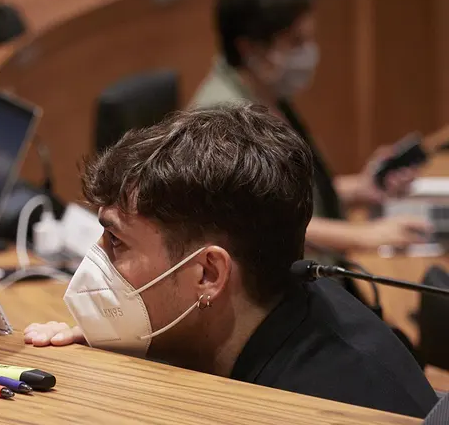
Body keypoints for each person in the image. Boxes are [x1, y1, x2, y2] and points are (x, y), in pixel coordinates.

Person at [25, 105, 437, 418]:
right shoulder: (264, 313)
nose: (96, 257)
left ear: (208, 274)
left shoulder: (320, 405)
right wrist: (123, 357)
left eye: (116, 240)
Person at [191, 0, 428, 252]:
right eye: (296, 42)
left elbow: (278, 198)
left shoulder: (264, 90)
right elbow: (258, 227)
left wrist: (358, 189)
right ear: (250, 48)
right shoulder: (224, 121)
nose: (309, 52)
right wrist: (364, 236)